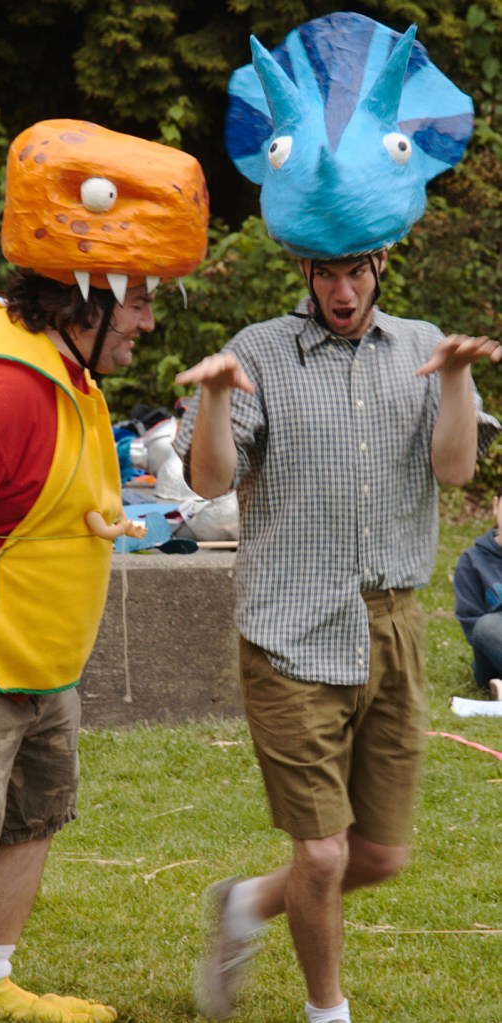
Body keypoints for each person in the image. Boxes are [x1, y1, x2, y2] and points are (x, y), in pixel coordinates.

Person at [173, 15, 501, 1023]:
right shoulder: (258, 351)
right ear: (306, 271)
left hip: (392, 625)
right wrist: (220, 397)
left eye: (358, 271)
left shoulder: (421, 347)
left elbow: (453, 476)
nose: (344, 288)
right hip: (288, 625)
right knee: (321, 848)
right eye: (328, 273)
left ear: (380, 262)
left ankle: (245, 908)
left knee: (378, 856)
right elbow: (208, 479)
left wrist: (450, 382)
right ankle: (328, 1010)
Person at [0, 118, 208, 1022]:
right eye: (140, 302)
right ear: (88, 299)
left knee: (28, 815)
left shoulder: (69, 378)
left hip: (40, 655)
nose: (150, 320)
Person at [453, 485, 502, 699]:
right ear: (495, 506)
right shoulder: (472, 561)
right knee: (487, 625)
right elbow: (475, 630)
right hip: (493, 655)